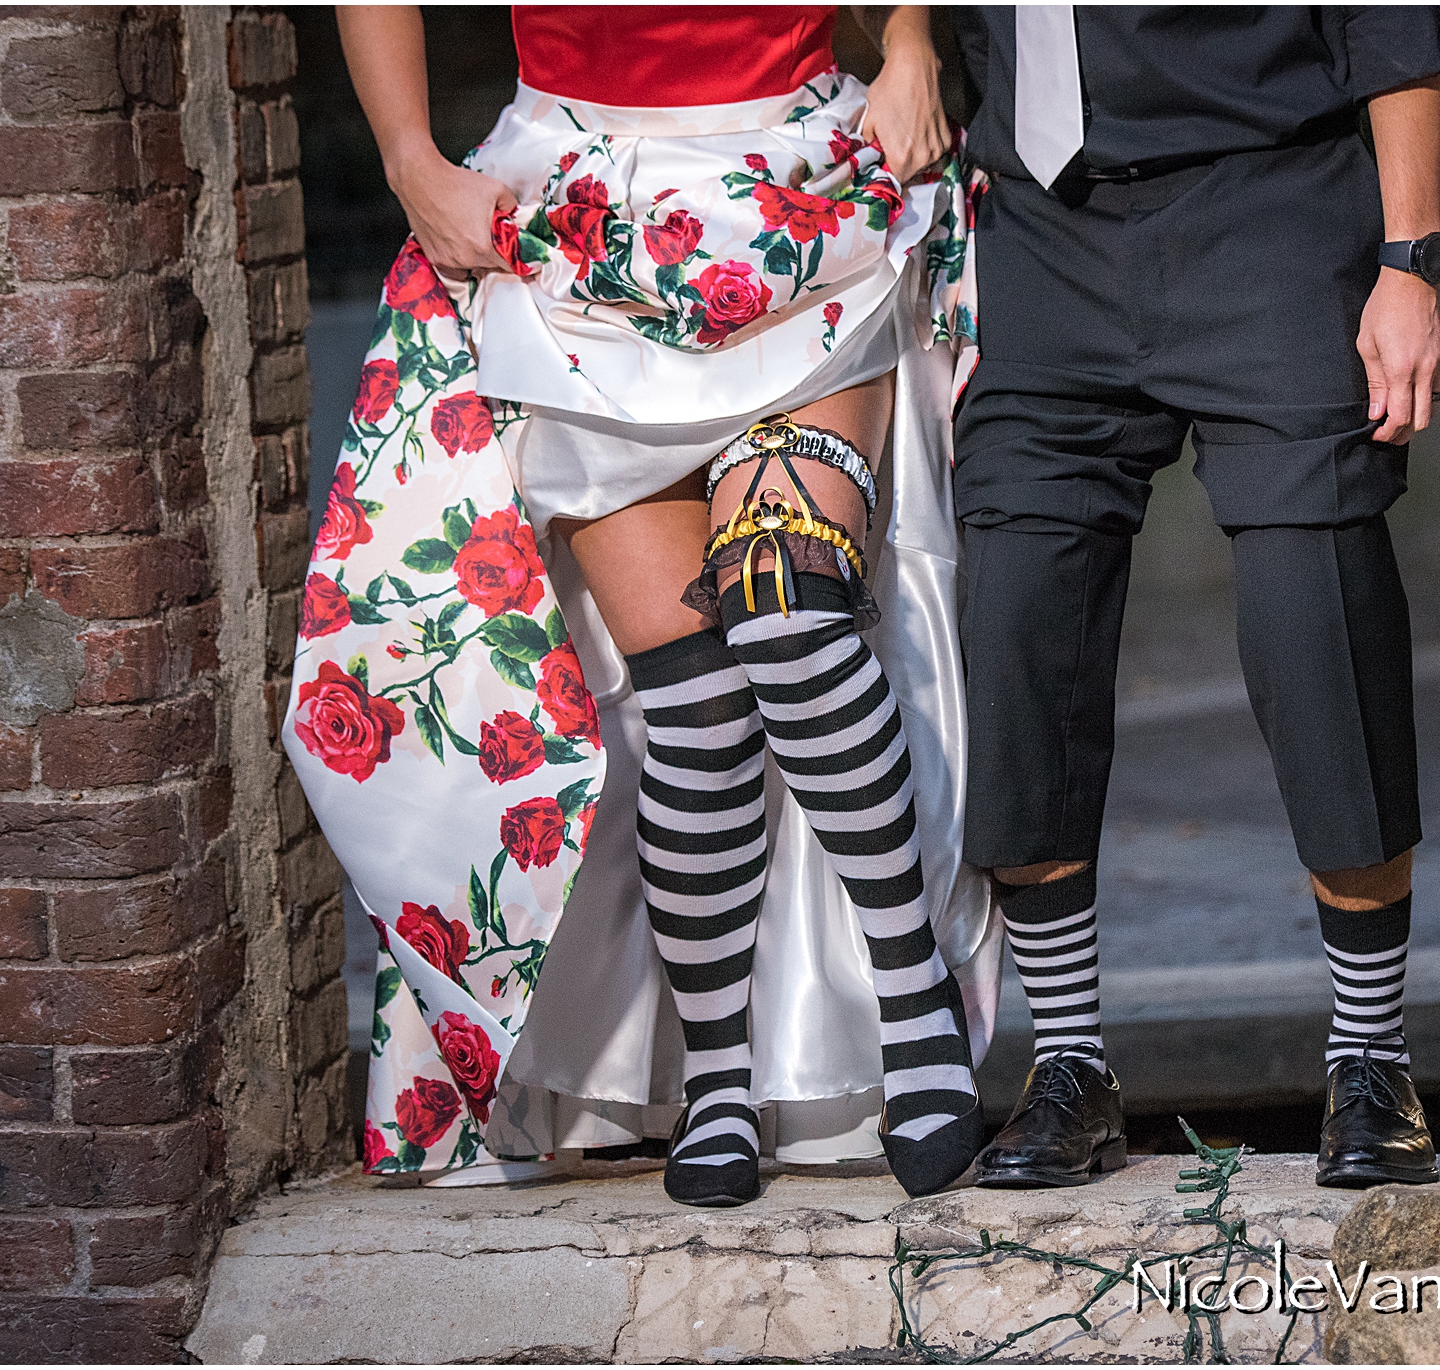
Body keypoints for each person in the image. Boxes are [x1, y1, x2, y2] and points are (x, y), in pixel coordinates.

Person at [331, 4, 991, 1207]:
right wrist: (407, 158)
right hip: (572, 232)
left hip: (800, 209)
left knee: (790, 619)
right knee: (693, 703)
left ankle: (914, 996)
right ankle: (718, 1074)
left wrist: (906, 45)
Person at [950, 7, 1440, 1189]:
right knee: (1020, 616)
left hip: (1270, 208)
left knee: (1313, 608)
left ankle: (1370, 1054)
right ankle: (1068, 1062)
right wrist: (916, 39)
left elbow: (1392, 24)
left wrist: (1408, 259)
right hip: (1038, 232)